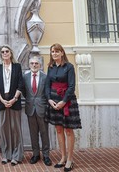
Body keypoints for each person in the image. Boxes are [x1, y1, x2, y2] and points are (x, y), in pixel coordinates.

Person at [45, 43, 82, 172]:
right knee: (59, 130)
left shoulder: (69, 67)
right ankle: (63, 157)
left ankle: (70, 159)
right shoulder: (50, 67)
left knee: (68, 131)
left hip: (67, 100)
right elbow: (47, 85)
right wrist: (49, 99)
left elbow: (72, 86)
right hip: (54, 101)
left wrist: (63, 101)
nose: (54, 53)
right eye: (52, 51)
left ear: (62, 53)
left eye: (56, 51)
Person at [0, 44, 24, 166]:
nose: (5, 53)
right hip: (2, 102)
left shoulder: (17, 67)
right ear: (1, 55)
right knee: (4, 130)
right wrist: (2, 100)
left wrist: (14, 99)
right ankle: (6, 155)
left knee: (16, 130)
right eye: (2, 52)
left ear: (10, 53)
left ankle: (17, 156)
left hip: (14, 102)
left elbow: (20, 85)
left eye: (7, 51)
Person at [21, 56, 52, 166]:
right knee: (33, 133)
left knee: (44, 133)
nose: (34, 65)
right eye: (32, 63)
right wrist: (30, 100)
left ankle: (46, 155)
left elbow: (48, 92)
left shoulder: (45, 77)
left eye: (36, 63)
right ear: (29, 65)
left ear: (40, 65)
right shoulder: (25, 77)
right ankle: (36, 154)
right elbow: (24, 91)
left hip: (42, 108)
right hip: (30, 109)